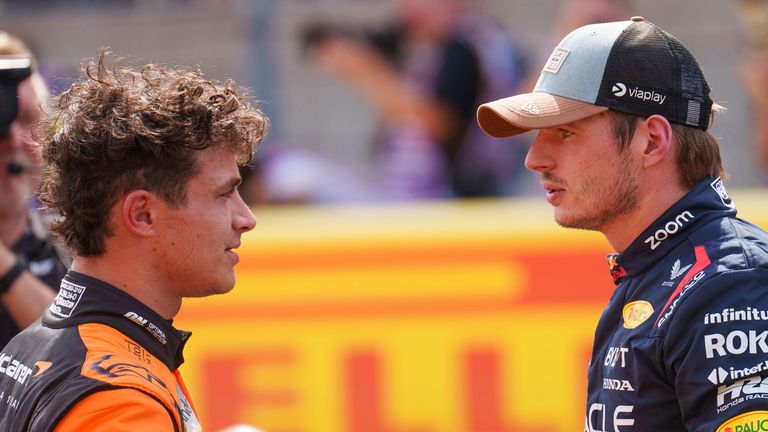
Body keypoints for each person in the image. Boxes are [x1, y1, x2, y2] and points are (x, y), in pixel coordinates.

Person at [476, 17, 768, 431]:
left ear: (651, 140)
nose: (534, 159)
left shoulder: (730, 282)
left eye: (564, 133)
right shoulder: (658, 273)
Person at [0, 51, 268, 430]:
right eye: (224, 194)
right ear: (141, 214)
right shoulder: (119, 399)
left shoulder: (36, 341)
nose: (246, 219)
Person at [306, 0, 528, 199]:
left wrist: (365, 70)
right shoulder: (433, 42)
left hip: (457, 194)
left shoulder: (469, 45)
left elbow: (438, 124)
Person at [0, 32, 68, 349]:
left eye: (27, 119)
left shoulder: (77, 247)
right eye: (2, 119)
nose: (13, 141)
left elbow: (72, 349)